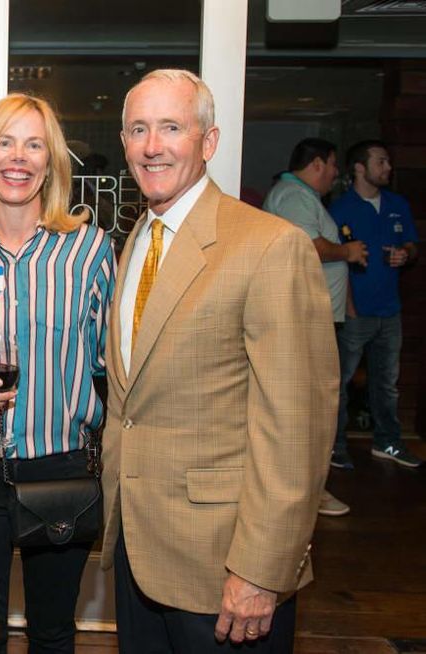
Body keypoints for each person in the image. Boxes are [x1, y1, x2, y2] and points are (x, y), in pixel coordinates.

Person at [101, 69, 338, 651]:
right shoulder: (137, 238)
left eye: (171, 127)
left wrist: (261, 570)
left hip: (226, 568)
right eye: (138, 129)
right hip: (139, 549)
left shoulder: (270, 246)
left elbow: (297, 428)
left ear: (208, 142)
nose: (152, 145)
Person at [0, 93, 116, 652]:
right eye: (5, 142)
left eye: (34, 144)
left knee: (54, 632)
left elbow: (112, 361)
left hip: (59, 465)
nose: (18, 157)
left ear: (51, 162)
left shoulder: (89, 252)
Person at [262, 137, 363, 515]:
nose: (337, 173)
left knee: (317, 406)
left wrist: (347, 305)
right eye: (334, 165)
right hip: (304, 318)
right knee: (309, 409)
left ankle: (310, 489)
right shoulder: (293, 196)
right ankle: (308, 493)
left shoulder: (301, 196)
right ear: (318, 164)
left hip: (318, 317)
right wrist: (347, 251)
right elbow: (306, 245)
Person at [329, 140, 421, 469]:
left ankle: (388, 443)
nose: (388, 168)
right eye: (381, 162)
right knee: (339, 383)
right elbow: (332, 263)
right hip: (355, 314)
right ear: (359, 168)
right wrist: (349, 308)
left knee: (386, 384)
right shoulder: (339, 209)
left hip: (390, 311)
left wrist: (405, 254)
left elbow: (411, 244)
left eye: (388, 162)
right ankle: (335, 448)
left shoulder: (398, 204)